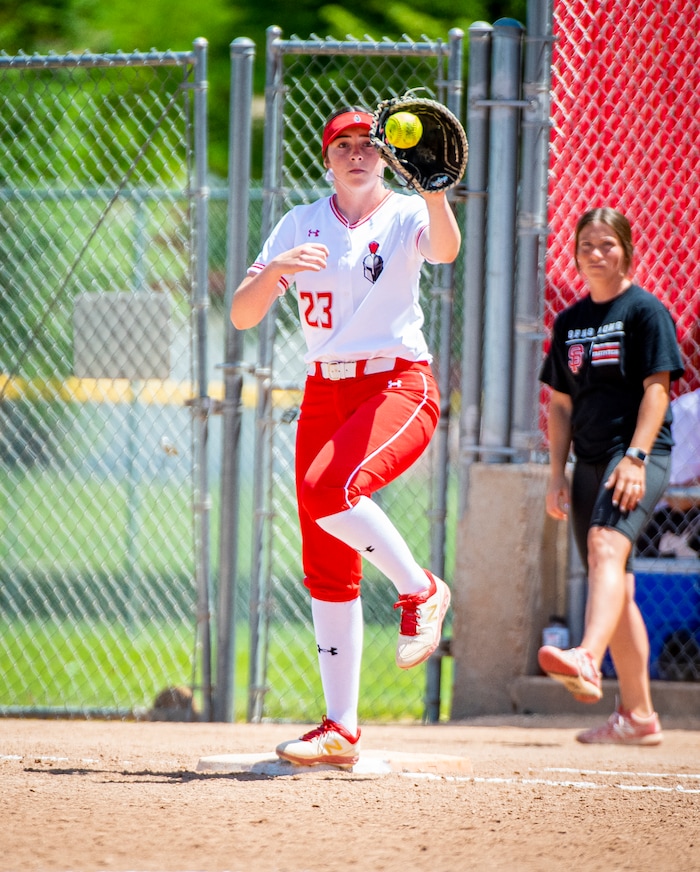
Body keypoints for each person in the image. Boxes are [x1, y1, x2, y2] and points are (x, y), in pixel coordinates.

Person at [231, 106, 460, 768]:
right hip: (324, 390)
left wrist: (435, 192)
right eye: (344, 144)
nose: (357, 153)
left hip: (397, 383)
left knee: (332, 490)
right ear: (326, 156)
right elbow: (245, 314)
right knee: (326, 559)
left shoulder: (406, 212)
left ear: (386, 156)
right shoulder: (299, 221)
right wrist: (275, 271)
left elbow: (444, 250)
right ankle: (341, 729)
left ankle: (421, 590)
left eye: (368, 144)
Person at [537, 207, 684, 745]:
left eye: (607, 245)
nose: (596, 254)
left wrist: (638, 458)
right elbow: (559, 405)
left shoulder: (646, 312)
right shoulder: (570, 321)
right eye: (586, 247)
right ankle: (639, 716)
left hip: (637, 455)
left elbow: (658, 388)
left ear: (627, 249)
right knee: (614, 584)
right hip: (588, 461)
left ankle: (587, 659)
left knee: (604, 546)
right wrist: (558, 472)